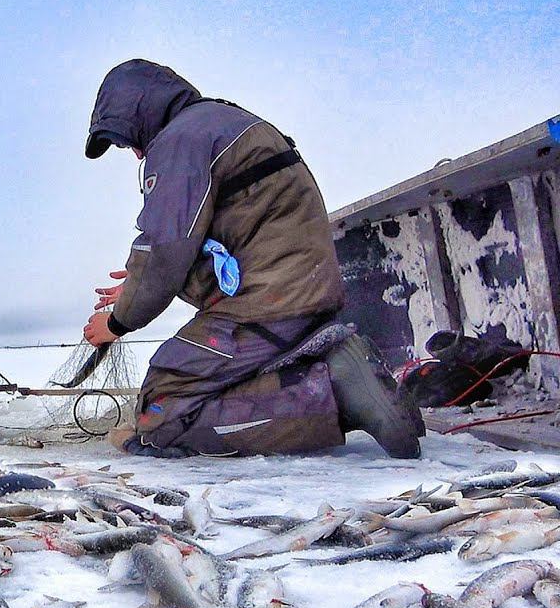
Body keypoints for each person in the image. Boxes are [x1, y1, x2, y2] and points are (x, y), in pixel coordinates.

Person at [81, 59, 425, 459]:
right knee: (191, 388)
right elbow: (228, 234)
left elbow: (163, 248)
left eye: (128, 140)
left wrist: (116, 321)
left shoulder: (180, 141)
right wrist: (141, 283)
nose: (138, 153)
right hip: (298, 291)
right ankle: (356, 382)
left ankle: (336, 390)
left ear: (141, 113)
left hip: (268, 304)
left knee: (163, 413)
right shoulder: (221, 122)